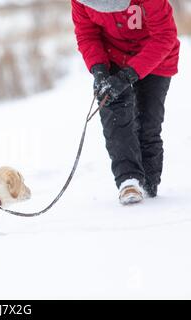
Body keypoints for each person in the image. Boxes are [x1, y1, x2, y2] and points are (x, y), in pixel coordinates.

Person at [71, 0, 180, 204]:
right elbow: (87, 34)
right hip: (112, 56)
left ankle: (149, 185)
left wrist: (127, 76)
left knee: (147, 124)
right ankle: (129, 181)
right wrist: (99, 70)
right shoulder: (81, 2)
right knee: (115, 117)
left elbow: (165, 35)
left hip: (156, 55)